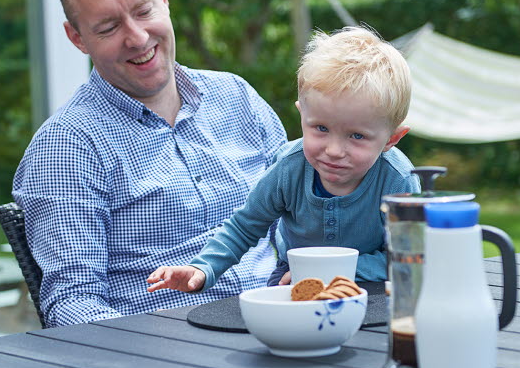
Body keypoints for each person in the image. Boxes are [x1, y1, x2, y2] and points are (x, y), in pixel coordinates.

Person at [12, 0, 287, 326]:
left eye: (143, 11)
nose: (137, 37)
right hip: (172, 356)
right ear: (77, 38)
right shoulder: (67, 148)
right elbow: (72, 305)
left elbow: (303, 217)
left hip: (287, 325)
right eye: (108, 27)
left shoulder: (237, 98)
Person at [146, 26, 421, 294]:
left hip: (369, 279)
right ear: (303, 115)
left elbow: (408, 258)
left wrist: (332, 270)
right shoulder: (290, 168)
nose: (335, 150)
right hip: (293, 273)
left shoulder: (398, 180)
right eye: (321, 129)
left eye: (357, 136)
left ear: (391, 139)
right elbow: (245, 225)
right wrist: (203, 268)